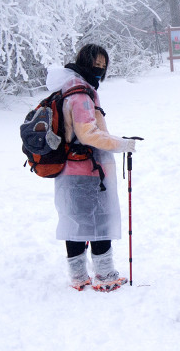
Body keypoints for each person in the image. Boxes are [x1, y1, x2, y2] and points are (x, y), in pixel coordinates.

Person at [49, 44, 139, 292]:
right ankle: (105, 275)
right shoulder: (80, 95)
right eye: (95, 65)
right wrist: (122, 144)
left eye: (103, 66)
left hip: (70, 169)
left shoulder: (68, 87)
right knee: (99, 221)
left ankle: (78, 277)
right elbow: (88, 134)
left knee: (76, 222)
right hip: (87, 170)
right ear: (83, 62)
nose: (99, 70)